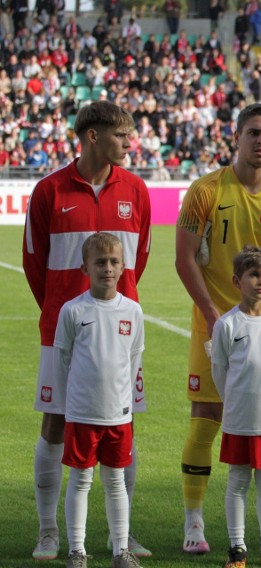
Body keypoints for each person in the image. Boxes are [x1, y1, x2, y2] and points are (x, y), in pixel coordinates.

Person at [175, 103, 261, 555]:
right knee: (207, 419)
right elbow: (183, 258)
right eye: (254, 132)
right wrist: (214, 315)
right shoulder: (205, 191)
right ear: (237, 136)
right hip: (211, 327)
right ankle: (194, 523)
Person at [23, 100, 152, 562]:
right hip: (63, 330)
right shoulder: (49, 191)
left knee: (124, 423)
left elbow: (139, 262)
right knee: (56, 421)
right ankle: (48, 531)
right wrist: (63, 313)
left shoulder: (136, 190)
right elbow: (35, 266)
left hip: (119, 333)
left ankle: (124, 536)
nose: (128, 142)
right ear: (93, 136)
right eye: (121, 135)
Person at [54, 233, 145, 568]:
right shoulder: (73, 310)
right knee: (80, 480)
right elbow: (62, 360)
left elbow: (133, 361)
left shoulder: (132, 311)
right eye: (100, 262)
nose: (107, 268)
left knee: (116, 481)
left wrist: (123, 402)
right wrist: (72, 402)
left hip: (117, 414)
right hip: (81, 412)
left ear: (123, 266)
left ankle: (121, 551)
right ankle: (77, 551)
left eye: (114, 262)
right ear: (85, 266)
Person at [211, 246, 261, 568]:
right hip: (240, 417)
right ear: (237, 280)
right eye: (254, 275)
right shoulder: (227, 324)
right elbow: (220, 372)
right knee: (238, 480)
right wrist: (235, 402)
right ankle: (237, 547)